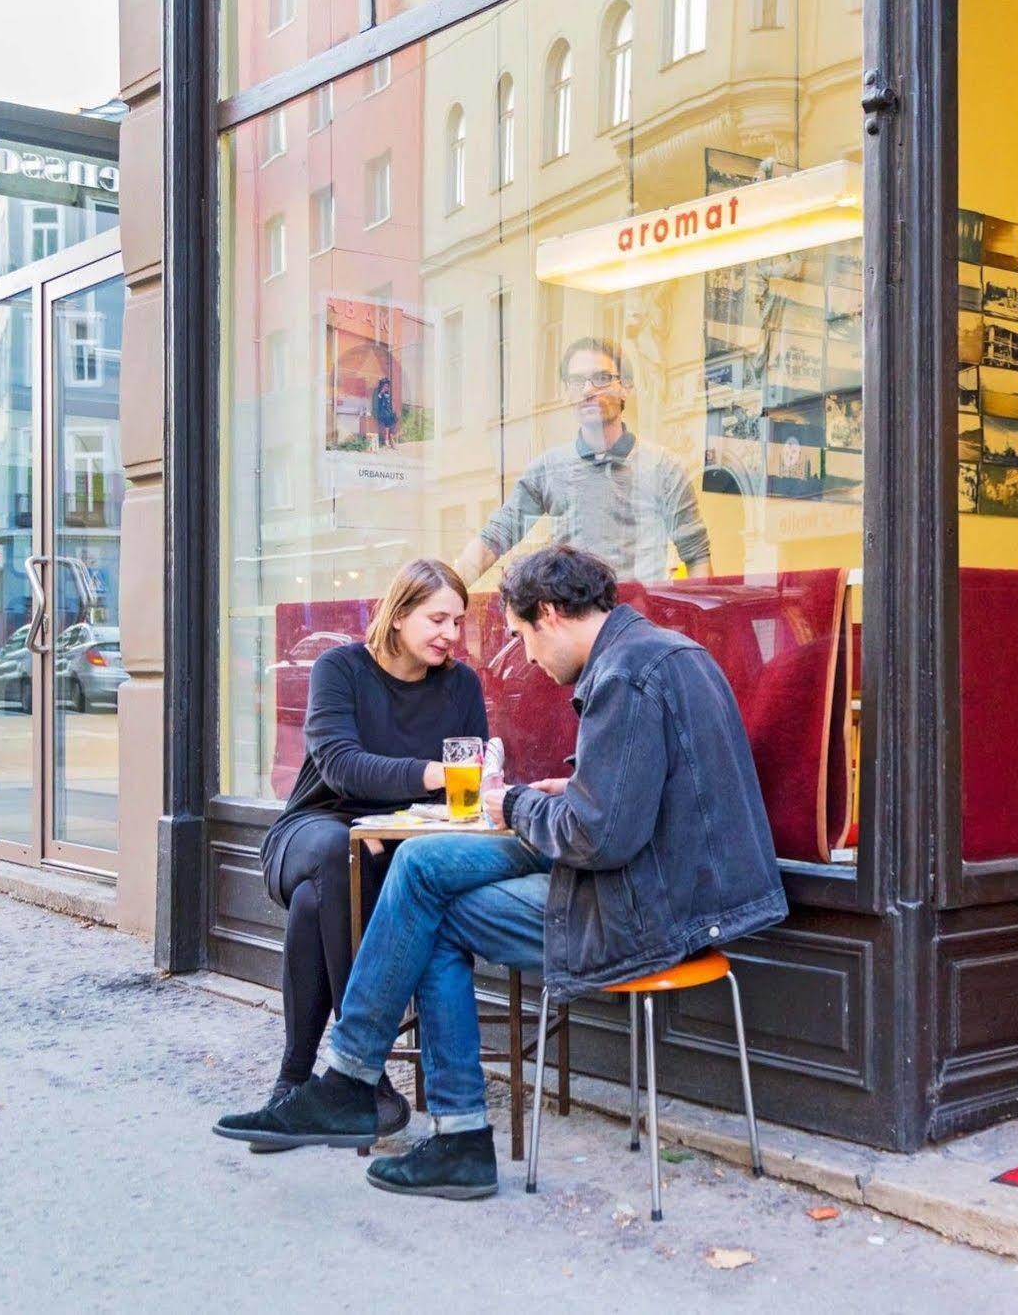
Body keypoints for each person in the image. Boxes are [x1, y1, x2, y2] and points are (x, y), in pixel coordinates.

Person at [214, 545, 785, 1199]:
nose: (532, 663)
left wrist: (519, 802)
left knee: (430, 909)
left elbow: (597, 838)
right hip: (672, 881)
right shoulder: (660, 652)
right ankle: (360, 1087)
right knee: (425, 867)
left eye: (521, 638)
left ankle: (409, 1114)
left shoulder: (622, 675)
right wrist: (571, 789)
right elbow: (637, 800)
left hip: (653, 909)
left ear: (547, 615)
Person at [247, 558, 489, 1149]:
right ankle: (366, 1076)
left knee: (317, 901)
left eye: (458, 622)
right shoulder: (341, 668)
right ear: (399, 613)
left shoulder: (460, 686)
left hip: (396, 840)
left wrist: (393, 819)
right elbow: (340, 764)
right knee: (335, 855)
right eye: (437, 619)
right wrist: (432, 774)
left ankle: (296, 1088)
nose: (450, 635)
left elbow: (475, 783)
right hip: (314, 827)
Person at [452, 338, 714, 586]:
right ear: (568, 393)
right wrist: (440, 594)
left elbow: (697, 555)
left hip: (639, 625)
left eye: (602, 378)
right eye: (577, 381)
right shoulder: (547, 469)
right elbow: (494, 538)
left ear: (626, 387)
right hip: (569, 622)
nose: (588, 390)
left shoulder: (664, 468)